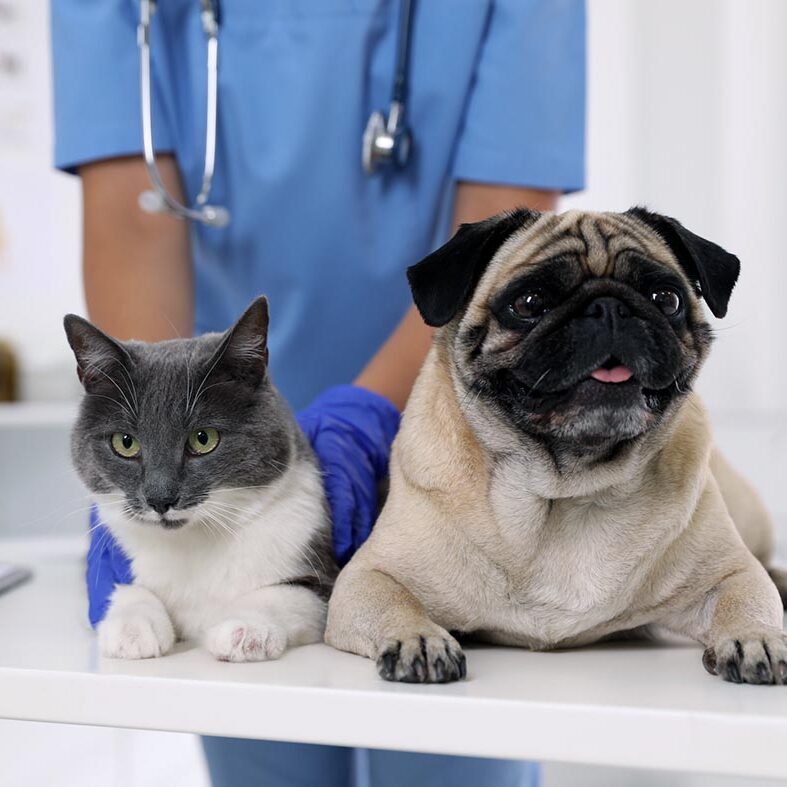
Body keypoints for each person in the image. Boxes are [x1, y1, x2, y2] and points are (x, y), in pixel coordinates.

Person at [51, 1, 585, 785]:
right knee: (261, 729)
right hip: (221, 478)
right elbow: (135, 225)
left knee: (450, 749)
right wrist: (148, 427)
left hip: (450, 438)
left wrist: (361, 425)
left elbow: (502, 240)